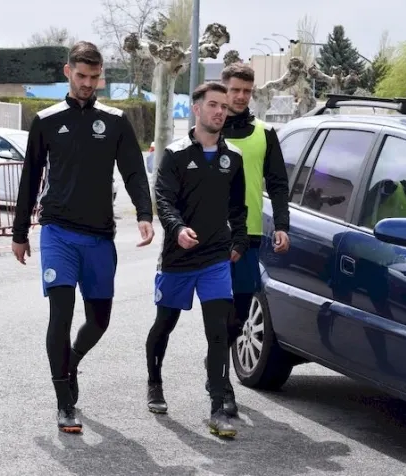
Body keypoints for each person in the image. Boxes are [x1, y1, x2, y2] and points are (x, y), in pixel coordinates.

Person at [11, 41, 155, 434]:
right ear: (68, 72)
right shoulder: (45, 120)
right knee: (61, 314)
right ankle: (64, 401)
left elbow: (134, 171)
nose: (88, 83)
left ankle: (71, 361)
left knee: (99, 320)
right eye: (81, 76)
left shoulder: (115, 121)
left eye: (94, 77)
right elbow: (30, 179)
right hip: (57, 232)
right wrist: (20, 233)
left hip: (99, 237)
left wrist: (145, 214)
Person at [146, 82, 249, 438]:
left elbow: (238, 207)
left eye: (224, 107)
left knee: (218, 331)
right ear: (196, 109)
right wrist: (177, 229)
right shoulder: (175, 154)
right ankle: (154, 382)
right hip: (178, 257)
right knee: (165, 324)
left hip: (215, 257)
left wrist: (239, 238)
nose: (220, 111)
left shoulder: (233, 158)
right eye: (213, 105)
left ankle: (218, 408)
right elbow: (164, 200)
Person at [215, 63, 291, 415]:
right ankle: (220, 379)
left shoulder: (265, 133)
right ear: (224, 89)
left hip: (250, 235)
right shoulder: (210, 129)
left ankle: (216, 360)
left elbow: (278, 183)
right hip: (211, 234)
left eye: (247, 91)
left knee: (242, 309)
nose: (241, 96)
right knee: (216, 308)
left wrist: (282, 225)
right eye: (235, 90)